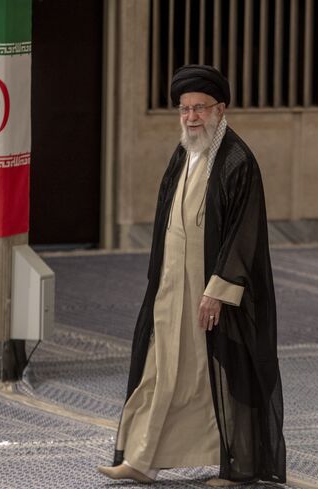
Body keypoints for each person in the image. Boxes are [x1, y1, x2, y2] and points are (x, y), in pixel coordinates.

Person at [97, 65, 285, 487]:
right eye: (184, 109)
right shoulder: (184, 152)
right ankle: (143, 459)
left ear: (220, 109)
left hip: (213, 296)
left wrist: (217, 292)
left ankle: (238, 467)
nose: (191, 117)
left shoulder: (238, 160)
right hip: (171, 288)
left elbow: (244, 233)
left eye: (199, 108)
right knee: (158, 368)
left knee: (217, 375)